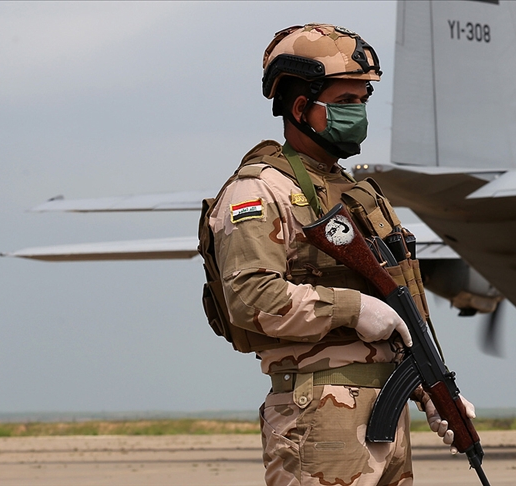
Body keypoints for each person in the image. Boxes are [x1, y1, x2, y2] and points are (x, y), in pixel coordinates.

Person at [199, 24, 475, 486]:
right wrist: (354, 308)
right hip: (320, 417)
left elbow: (405, 300)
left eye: (363, 101)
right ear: (302, 107)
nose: (360, 113)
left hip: (384, 413)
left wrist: (437, 387)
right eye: (347, 102)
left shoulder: (357, 194)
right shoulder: (261, 190)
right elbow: (249, 295)